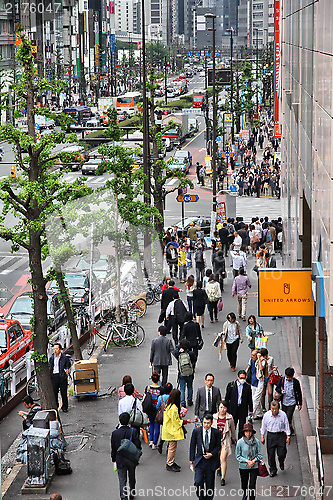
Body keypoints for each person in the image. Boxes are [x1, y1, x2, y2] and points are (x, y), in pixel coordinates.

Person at [190, 413, 221, 499]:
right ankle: (201, 498)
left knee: (210, 484)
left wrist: (212, 454)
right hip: (200, 460)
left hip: (211, 461)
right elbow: (192, 445)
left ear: (211, 423)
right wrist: (191, 459)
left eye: (208, 423)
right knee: (198, 482)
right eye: (204, 422)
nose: (206, 425)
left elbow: (218, 446)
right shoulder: (197, 431)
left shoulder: (216, 433)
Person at [111, 412, 141, 500]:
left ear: (119, 421)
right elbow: (137, 445)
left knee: (122, 479)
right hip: (131, 458)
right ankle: (132, 493)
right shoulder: (133, 431)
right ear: (128, 421)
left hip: (120, 459)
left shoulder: (115, 433)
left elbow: (113, 448)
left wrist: (114, 459)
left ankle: (123, 497)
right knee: (132, 476)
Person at [162, 389, 192, 472]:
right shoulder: (174, 408)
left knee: (171, 447)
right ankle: (170, 463)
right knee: (172, 447)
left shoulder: (168, 405)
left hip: (168, 429)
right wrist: (186, 421)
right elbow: (176, 421)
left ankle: (171, 461)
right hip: (172, 430)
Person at [260, 401, 290, 477]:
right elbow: (263, 426)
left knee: (282, 452)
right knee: (271, 454)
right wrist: (262, 436)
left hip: (280, 435)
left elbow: (286, 425)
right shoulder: (266, 415)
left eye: (275, 409)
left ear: (278, 408)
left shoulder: (283, 415)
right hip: (271, 436)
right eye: (272, 409)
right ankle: (273, 469)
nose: (274, 410)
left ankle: (281, 461)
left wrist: (288, 436)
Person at [236, 422, 263, 500]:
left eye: (250, 431)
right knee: (244, 483)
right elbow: (238, 456)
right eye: (247, 431)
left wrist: (253, 461)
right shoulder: (240, 442)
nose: (248, 433)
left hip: (254, 466)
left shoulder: (256, 442)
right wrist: (247, 461)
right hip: (243, 466)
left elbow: (260, 454)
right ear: (244, 432)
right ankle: (245, 494)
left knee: (252, 484)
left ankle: (252, 498)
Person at [212, 401, 236, 486]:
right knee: (218, 456)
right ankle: (219, 468)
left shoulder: (229, 418)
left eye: (224, 408)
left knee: (223, 458)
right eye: (221, 407)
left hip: (225, 440)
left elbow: (233, 429)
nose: (222, 409)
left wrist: (234, 438)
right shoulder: (214, 417)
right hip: (215, 441)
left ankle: (223, 477)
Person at [224, 370, 253, 438]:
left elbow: (249, 399)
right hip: (233, 408)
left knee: (242, 426)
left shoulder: (247, 387)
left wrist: (251, 410)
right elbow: (227, 398)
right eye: (241, 378)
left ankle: (240, 440)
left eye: (243, 378)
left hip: (242, 409)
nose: (242, 380)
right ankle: (232, 438)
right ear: (237, 377)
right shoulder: (231, 385)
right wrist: (226, 409)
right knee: (233, 425)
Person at [275, 367, 302, 435]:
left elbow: (299, 393)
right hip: (284, 401)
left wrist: (300, 403)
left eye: (289, 377)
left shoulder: (296, 382)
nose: (288, 378)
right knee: (284, 416)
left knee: (288, 417)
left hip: (292, 402)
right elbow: (277, 388)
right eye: (287, 377)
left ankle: (286, 430)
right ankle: (290, 429)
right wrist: (281, 391)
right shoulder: (282, 379)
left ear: (292, 376)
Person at [172, 338, 196, 407]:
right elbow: (194, 360)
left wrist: (179, 351)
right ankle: (189, 400)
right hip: (190, 373)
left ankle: (182, 402)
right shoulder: (191, 353)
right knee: (190, 387)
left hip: (182, 373)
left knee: (182, 388)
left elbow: (174, 353)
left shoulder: (179, 354)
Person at [48, 343, 71, 413]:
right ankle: (56, 406)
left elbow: (67, 366)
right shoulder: (52, 358)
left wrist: (66, 374)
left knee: (63, 392)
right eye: (54, 349)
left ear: (60, 349)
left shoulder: (64, 357)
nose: (55, 350)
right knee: (54, 392)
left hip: (61, 376)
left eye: (56, 349)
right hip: (54, 376)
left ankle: (65, 406)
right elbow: (50, 366)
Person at [143, 371, 162, 449]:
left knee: (151, 424)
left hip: (150, 409)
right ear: (159, 379)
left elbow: (145, 398)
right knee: (157, 426)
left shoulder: (148, 388)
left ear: (151, 379)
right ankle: (155, 443)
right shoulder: (161, 389)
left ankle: (151, 441)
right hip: (158, 409)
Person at [246, 349, 265, 419]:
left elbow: (261, 368)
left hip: (260, 382)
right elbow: (248, 367)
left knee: (255, 399)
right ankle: (259, 413)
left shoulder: (262, 361)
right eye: (252, 355)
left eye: (254, 355)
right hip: (253, 382)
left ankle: (251, 415)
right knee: (256, 398)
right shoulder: (251, 360)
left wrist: (259, 358)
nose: (252, 356)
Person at [156, 382, 173, 454]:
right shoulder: (172, 397)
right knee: (170, 432)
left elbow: (157, 407)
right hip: (170, 417)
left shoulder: (161, 398)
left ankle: (161, 442)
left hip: (163, 417)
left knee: (164, 430)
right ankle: (169, 446)